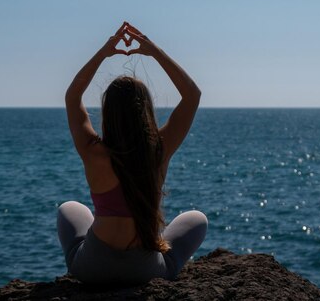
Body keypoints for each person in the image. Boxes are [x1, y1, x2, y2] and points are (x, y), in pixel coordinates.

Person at [57, 22, 208, 285]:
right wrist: (154, 51)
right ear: (146, 111)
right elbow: (192, 95)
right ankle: (167, 265)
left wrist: (104, 52)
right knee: (197, 219)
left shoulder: (93, 152)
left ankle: (77, 262)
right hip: (145, 270)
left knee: (69, 208)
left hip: (93, 268)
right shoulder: (159, 149)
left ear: (108, 112)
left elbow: (73, 97)